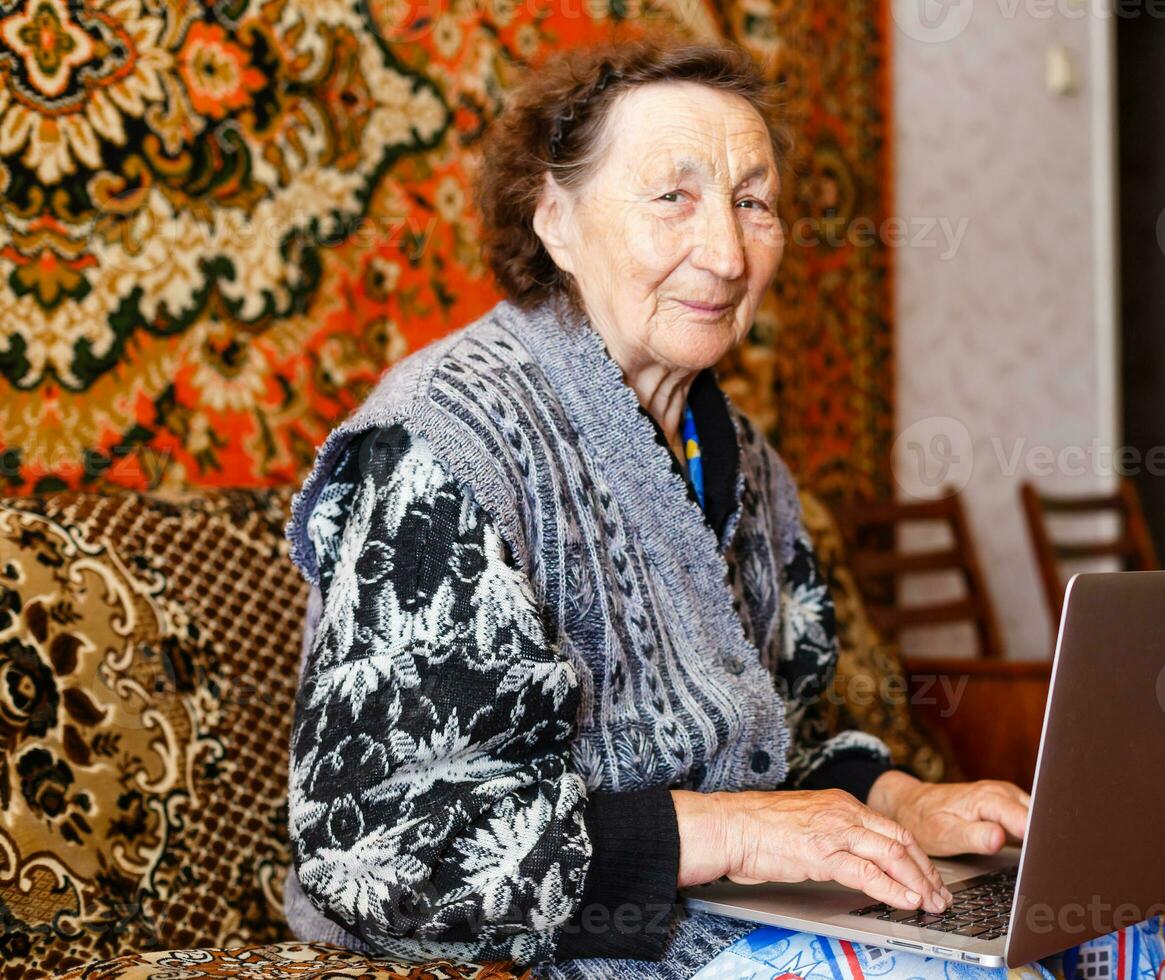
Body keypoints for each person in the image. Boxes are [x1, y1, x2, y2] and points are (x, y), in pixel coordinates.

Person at [282, 34, 1031, 977]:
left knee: (1087, 927)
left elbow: (779, 737)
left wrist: (896, 801)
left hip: (718, 916)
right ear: (556, 218)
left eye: (752, 203)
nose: (724, 254)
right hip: (516, 952)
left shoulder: (746, 461)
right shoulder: (444, 447)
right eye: (673, 198)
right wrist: (735, 836)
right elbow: (374, 848)